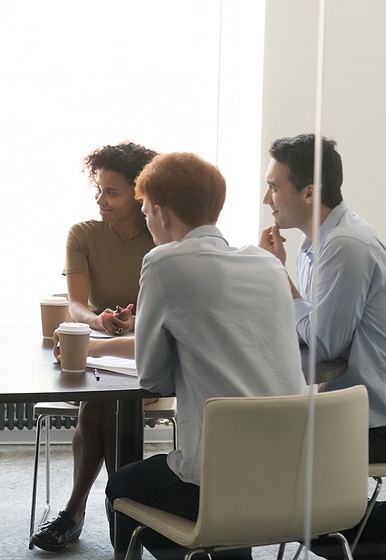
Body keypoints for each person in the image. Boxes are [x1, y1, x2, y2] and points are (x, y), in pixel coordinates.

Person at [87, 152, 307, 560]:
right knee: (223, 495)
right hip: (293, 475)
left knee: (121, 486)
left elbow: (154, 379)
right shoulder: (266, 263)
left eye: (147, 211)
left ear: (162, 213)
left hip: (217, 481)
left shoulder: (164, 262)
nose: (147, 221)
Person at [259, 134, 386, 558]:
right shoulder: (318, 243)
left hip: (371, 418)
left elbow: (324, 341)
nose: (266, 198)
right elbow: (312, 322)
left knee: (267, 476)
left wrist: (280, 281)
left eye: (274, 186)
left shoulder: (345, 246)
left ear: (309, 192)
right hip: (345, 406)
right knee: (258, 466)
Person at [30, 141, 157, 552]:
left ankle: (75, 511)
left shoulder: (162, 237)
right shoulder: (83, 234)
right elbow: (77, 305)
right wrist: (99, 321)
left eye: (112, 193)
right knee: (100, 401)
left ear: (140, 196)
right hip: (101, 347)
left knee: (100, 403)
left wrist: (135, 322)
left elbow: (168, 313)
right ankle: (124, 511)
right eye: (98, 190)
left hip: (148, 350)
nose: (101, 200)